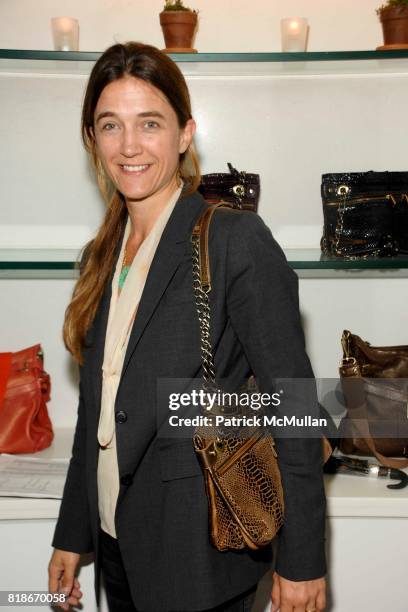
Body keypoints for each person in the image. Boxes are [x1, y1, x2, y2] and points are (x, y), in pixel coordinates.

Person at [47, 42, 327, 612]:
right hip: (117, 545)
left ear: (184, 134)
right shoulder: (102, 253)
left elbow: (293, 405)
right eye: (110, 126)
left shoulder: (233, 241)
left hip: (200, 560)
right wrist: (71, 535)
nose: (129, 146)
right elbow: (96, 413)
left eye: (149, 123)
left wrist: (302, 561)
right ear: (92, 140)